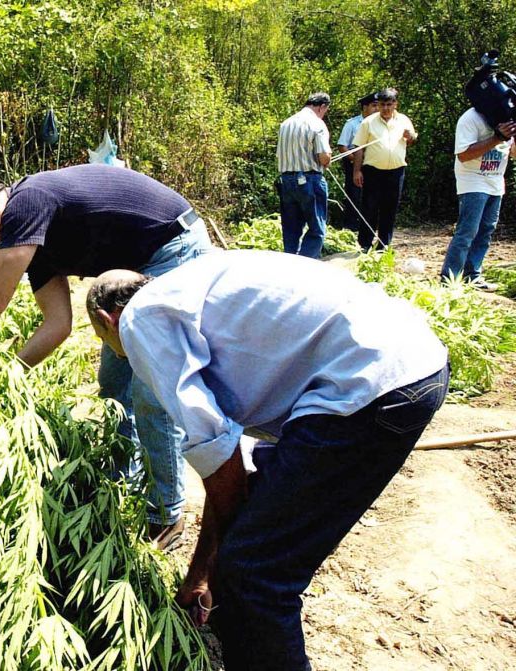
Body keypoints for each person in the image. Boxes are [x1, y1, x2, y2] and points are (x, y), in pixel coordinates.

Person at [85, 250, 448, 671]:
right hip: (412, 365)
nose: (119, 354)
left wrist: (220, 559)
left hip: (368, 385)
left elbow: (215, 449)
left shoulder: (139, 320)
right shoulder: (190, 289)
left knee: (253, 575)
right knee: (247, 537)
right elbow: (230, 456)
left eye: (107, 345)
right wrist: (205, 567)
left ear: (108, 320)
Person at [0, 164, 214, 548]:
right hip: (134, 271)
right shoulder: (37, 247)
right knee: (114, 385)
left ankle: (166, 515)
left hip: (173, 249)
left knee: (149, 391)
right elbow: (57, 324)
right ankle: (122, 486)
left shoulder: (27, 202)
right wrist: (5, 375)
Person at [439, 109, 516, 291]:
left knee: (486, 231)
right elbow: (463, 155)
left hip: (496, 182)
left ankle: (472, 276)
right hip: (473, 181)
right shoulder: (471, 118)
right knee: (468, 231)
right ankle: (449, 279)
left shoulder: (509, 117)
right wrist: (497, 137)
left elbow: (513, 154)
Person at [352, 88, 418, 251]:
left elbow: (412, 139)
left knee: (390, 208)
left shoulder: (403, 120)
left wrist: (411, 136)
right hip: (373, 171)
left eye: (389, 104)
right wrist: (356, 171)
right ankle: (365, 244)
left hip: (396, 171)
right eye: (382, 105)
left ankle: (383, 244)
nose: (386, 108)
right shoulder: (368, 122)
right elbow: (359, 147)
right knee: (370, 207)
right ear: (378, 105)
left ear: (395, 104)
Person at [275, 92, 332, 258]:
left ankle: (290, 261)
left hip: (286, 180)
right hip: (310, 180)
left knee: (291, 228)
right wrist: (327, 159)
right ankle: (304, 263)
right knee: (317, 229)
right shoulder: (317, 124)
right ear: (322, 107)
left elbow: (280, 154)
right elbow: (323, 157)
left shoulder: (286, 123)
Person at [335, 93, 379, 231]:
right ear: (364, 107)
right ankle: (351, 227)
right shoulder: (352, 124)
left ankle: (369, 227)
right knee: (354, 197)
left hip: (375, 166)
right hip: (355, 165)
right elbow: (342, 146)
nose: (377, 109)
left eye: (378, 105)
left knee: (373, 198)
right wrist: (357, 161)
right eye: (373, 105)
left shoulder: (380, 124)